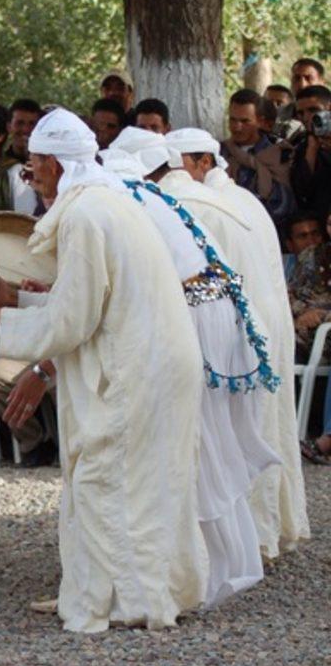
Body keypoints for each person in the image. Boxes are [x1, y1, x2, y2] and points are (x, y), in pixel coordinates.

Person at [0, 108, 206, 632]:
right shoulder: (111, 201)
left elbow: (75, 318)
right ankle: (136, 592)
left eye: (34, 165)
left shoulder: (86, 215)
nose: (31, 175)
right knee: (148, 481)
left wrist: (2, 321)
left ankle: (135, 603)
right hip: (155, 357)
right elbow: (91, 300)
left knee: (109, 478)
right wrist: (23, 301)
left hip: (138, 365)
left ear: (57, 165)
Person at [104, 135, 276, 608]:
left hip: (196, 325)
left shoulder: (124, 198)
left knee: (191, 446)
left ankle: (200, 573)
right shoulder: (157, 196)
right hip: (219, 322)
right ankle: (213, 565)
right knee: (206, 444)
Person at [159, 126, 309, 560]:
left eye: (179, 165)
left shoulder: (196, 204)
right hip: (269, 321)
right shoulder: (242, 199)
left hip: (243, 326)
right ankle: (272, 528)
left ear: (204, 162)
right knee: (266, 424)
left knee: (240, 432)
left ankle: (250, 540)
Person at [220, 89, 294, 228]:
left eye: (245, 121)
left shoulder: (279, 153)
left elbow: (284, 204)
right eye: (233, 120)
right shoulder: (219, 152)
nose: (237, 127)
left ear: (260, 121)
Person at [290, 84, 331, 222]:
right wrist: (312, 148)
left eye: (313, 110)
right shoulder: (299, 145)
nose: (307, 117)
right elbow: (302, 189)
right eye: (301, 113)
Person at [281, 212, 324, 283]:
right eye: (303, 236)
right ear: (290, 245)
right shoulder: (279, 268)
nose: (311, 242)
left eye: (315, 234)